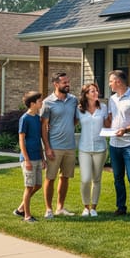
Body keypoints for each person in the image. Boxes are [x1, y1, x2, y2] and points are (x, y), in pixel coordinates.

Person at [107, 69, 130, 221]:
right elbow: (110, 119)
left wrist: (126, 130)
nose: (109, 84)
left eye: (111, 81)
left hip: (129, 144)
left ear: (118, 82)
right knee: (117, 178)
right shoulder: (112, 99)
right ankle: (121, 207)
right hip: (114, 144)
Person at [40, 72, 79, 219]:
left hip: (70, 146)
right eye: (64, 82)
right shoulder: (47, 102)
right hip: (54, 147)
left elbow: (75, 119)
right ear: (56, 84)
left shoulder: (73, 100)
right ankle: (48, 209)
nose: (68, 84)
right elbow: (43, 126)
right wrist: (47, 147)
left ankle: (60, 208)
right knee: (50, 178)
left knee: (65, 177)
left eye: (68, 82)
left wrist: (67, 126)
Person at [77, 83, 107, 217]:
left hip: (100, 148)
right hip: (84, 149)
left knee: (97, 179)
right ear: (86, 94)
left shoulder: (103, 108)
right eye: (92, 91)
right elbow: (70, 123)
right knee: (85, 179)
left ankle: (94, 207)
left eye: (96, 90)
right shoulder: (79, 109)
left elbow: (108, 124)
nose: (96, 93)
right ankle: (86, 207)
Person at [14, 91, 44, 223]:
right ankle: (27, 215)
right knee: (29, 187)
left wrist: (43, 158)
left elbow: (38, 139)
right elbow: (21, 140)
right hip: (28, 159)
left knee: (38, 185)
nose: (41, 103)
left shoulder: (37, 118)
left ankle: (20, 209)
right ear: (32, 104)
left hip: (37, 157)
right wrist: (26, 160)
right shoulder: (24, 119)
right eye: (39, 101)